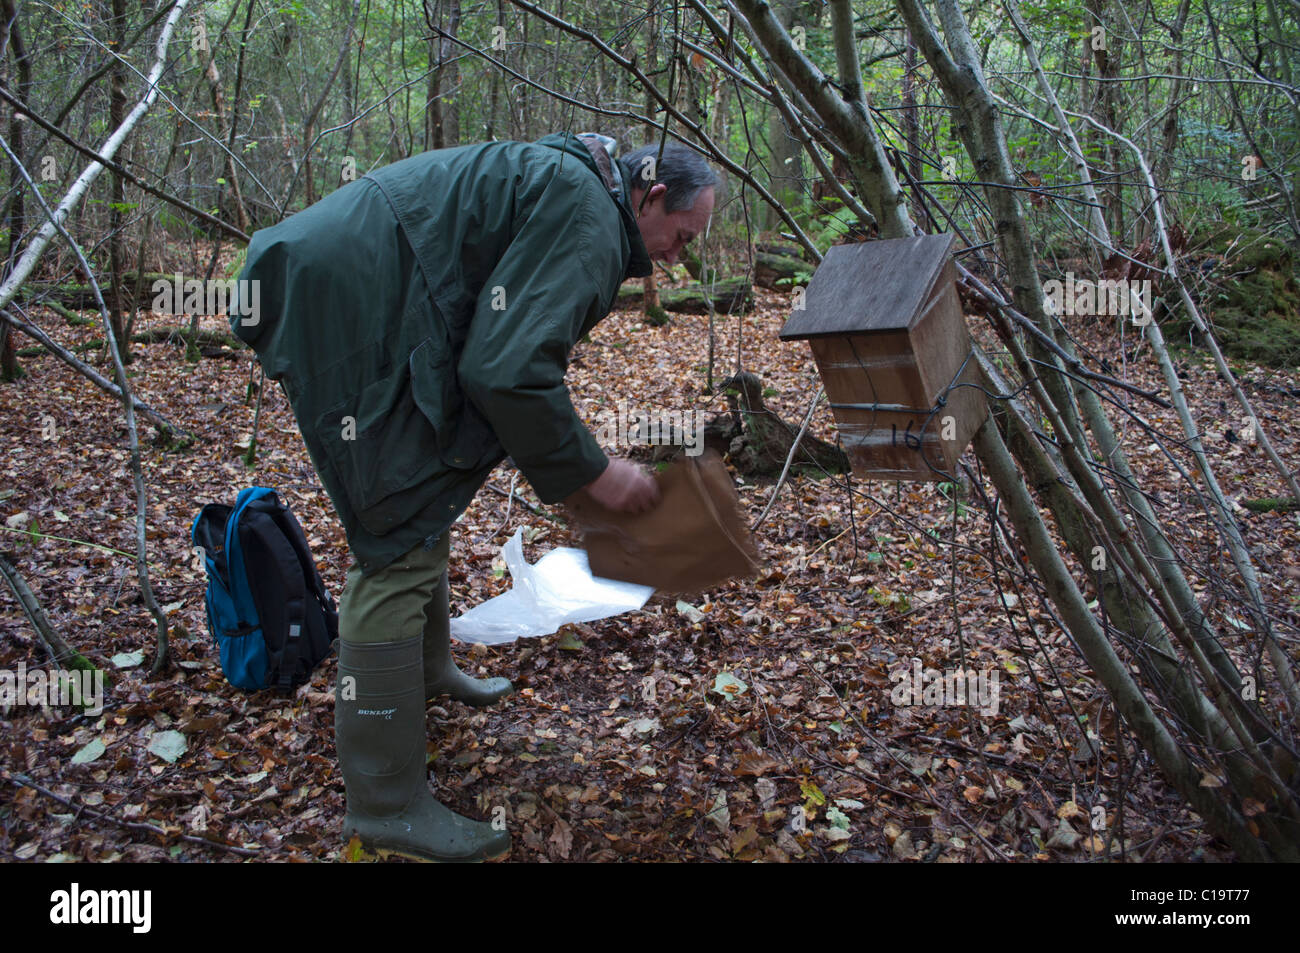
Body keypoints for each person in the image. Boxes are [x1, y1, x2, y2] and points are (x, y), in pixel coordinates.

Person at [232, 132, 718, 861]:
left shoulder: (585, 191)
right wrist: (594, 471)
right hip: (346, 299)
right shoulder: (589, 217)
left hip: (360, 283)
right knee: (392, 536)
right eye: (681, 236)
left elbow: (499, 342)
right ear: (649, 197)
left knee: (424, 484)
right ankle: (385, 804)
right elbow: (507, 369)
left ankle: (425, 669)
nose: (679, 257)